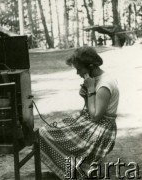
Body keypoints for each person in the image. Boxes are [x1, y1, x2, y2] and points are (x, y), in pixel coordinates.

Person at [39, 46, 119, 179]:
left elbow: (95, 116)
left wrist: (91, 90)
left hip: (100, 128)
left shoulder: (105, 84)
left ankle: (74, 173)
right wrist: (86, 96)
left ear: (91, 67)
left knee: (45, 134)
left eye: (79, 69)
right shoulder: (97, 79)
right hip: (93, 121)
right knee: (51, 130)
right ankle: (72, 172)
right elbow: (91, 109)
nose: (77, 73)